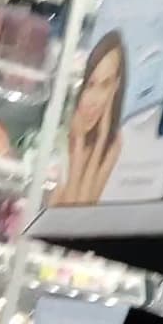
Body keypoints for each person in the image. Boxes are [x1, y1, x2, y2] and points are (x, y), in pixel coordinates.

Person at [60, 31, 126, 208]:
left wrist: (99, 140)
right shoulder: (61, 133)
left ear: (115, 87)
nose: (94, 100)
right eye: (90, 85)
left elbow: (78, 212)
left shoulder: (112, 144)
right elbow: (66, 212)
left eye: (105, 85)